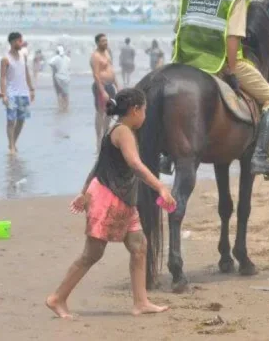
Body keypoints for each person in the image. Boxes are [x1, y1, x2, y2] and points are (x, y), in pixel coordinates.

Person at [46, 89, 175, 319]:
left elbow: (98, 164)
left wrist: (83, 191)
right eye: (144, 110)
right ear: (135, 110)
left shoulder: (115, 129)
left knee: (139, 246)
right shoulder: (123, 131)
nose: (145, 114)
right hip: (108, 199)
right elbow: (135, 164)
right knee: (92, 253)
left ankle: (140, 302)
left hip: (124, 199)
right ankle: (57, 298)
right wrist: (161, 187)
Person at [171, 0, 269, 179]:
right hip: (219, 62)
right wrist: (231, 71)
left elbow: (178, 27)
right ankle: (260, 156)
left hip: (185, 61)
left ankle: (164, 154)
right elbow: (233, 38)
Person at [1, 32, 35, 155]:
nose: (21, 43)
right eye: (19, 41)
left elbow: (26, 72)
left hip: (23, 92)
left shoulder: (22, 56)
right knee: (11, 120)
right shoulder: (5, 58)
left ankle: (13, 142)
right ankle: (11, 146)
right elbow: (2, 77)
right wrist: (4, 94)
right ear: (13, 42)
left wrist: (31, 89)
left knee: (21, 120)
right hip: (11, 93)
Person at [91, 34, 119, 150]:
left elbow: (111, 70)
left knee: (110, 112)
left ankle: (105, 134)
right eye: (103, 41)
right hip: (100, 87)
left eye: (106, 40)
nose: (105, 42)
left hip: (110, 85)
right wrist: (102, 91)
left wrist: (118, 86)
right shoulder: (95, 56)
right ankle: (98, 138)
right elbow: (96, 74)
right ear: (97, 42)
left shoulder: (107, 52)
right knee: (100, 112)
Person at [48, 46, 71, 112]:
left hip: (57, 77)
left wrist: (55, 67)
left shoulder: (56, 58)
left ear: (57, 52)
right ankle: (66, 107)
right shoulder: (67, 58)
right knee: (66, 94)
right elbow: (68, 67)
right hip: (66, 78)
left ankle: (60, 107)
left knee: (59, 93)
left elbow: (50, 63)